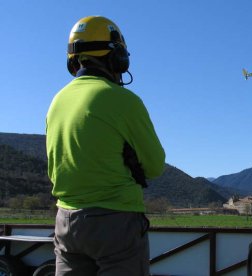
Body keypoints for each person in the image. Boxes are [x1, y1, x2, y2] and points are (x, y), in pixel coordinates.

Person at [46, 16, 165, 275]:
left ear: (73, 59)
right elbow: (155, 166)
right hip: (116, 222)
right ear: (117, 57)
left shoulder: (57, 102)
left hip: (66, 221)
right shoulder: (124, 100)